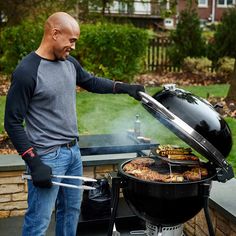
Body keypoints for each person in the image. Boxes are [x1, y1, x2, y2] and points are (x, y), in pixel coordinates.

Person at [4, 12, 145, 236]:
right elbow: (11, 122)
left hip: (73, 153)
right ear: (55, 33)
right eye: (72, 40)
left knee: (71, 212)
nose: (74, 47)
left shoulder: (69, 63)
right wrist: (34, 162)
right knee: (38, 220)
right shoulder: (27, 72)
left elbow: (91, 82)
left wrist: (124, 88)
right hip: (46, 156)